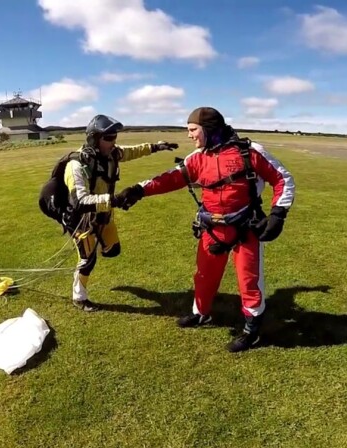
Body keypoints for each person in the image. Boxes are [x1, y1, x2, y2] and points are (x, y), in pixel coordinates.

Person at [114, 107, 296, 352]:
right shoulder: (198, 158)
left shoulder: (248, 152)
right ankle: (201, 313)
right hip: (212, 228)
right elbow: (172, 178)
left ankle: (252, 330)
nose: (189, 136)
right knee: (203, 275)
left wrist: (278, 214)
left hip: (246, 228)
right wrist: (139, 190)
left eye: (192, 130)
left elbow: (282, 178)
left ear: (208, 129)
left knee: (249, 280)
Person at [63, 114, 178, 312]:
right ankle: (79, 297)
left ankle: (94, 245)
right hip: (82, 219)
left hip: (104, 214)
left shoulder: (112, 154)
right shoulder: (77, 165)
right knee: (88, 260)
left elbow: (132, 151)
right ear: (94, 138)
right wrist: (114, 200)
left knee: (113, 250)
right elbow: (79, 201)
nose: (113, 142)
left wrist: (157, 146)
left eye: (115, 137)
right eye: (108, 138)